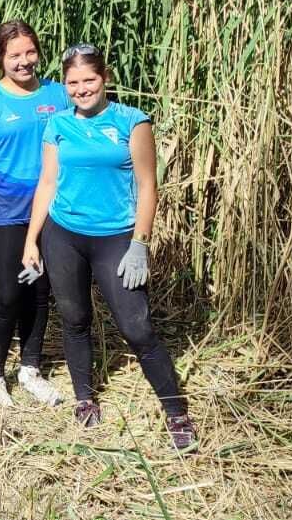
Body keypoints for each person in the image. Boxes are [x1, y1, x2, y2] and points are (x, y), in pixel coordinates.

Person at [22, 44, 196, 451]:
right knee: (74, 317)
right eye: (72, 83)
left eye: (89, 80)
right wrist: (32, 240)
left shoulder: (132, 122)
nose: (81, 89)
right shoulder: (59, 125)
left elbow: (148, 185)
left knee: (137, 326)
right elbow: (47, 184)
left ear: (105, 78)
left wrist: (140, 243)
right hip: (64, 234)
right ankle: (84, 398)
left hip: (116, 235)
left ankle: (176, 411)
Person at [0, 19, 72, 407]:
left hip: (51, 212)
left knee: (40, 292)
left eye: (29, 52)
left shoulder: (59, 96)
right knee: (8, 293)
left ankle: (30, 368)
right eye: (14, 55)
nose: (24, 61)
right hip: (6, 213)